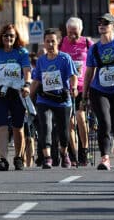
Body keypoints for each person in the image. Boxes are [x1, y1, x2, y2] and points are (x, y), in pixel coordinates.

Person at [83, 13, 114, 170]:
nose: (102, 25)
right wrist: (84, 94)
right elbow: (89, 72)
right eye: (100, 22)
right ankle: (105, 158)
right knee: (104, 123)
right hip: (99, 91)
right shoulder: (94, 48)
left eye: (106, 22)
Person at [0, 23, 31, 171]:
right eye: (6, 35)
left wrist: (27, 84)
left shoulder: (21, 52)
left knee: (18, 126)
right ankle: (3, 158)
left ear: (16, 38)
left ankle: (18, 157)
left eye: (11, 36)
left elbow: (27, 70)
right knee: (1, 125)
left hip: (17, 92)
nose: (8, 38)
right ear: (1, 37)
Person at [30, 29, 78, 169]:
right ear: (44, 43)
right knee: (45, 126)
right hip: (44, 99)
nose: (50, 44)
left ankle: (64, 154)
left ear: (58, 42)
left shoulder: (65, 58)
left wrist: (74, 87)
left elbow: (73, 76)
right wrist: (29, 96)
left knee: (63, 131)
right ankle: (47, 157)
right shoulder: (41, 61)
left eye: (53, 41)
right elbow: (37, 80)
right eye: (47, 41)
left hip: (62, 99)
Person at [59, 17, 93, 165]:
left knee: (80, 116)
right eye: (69, 32)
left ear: (81, 30)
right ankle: (74, 154)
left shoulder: (87, 43)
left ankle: (84, 151)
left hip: (83, 87)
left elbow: (94, 65)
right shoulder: (62, 43)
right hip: (66, 87)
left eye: (75, 33)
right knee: (69, 123)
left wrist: (92, 85)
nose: (72, 36)